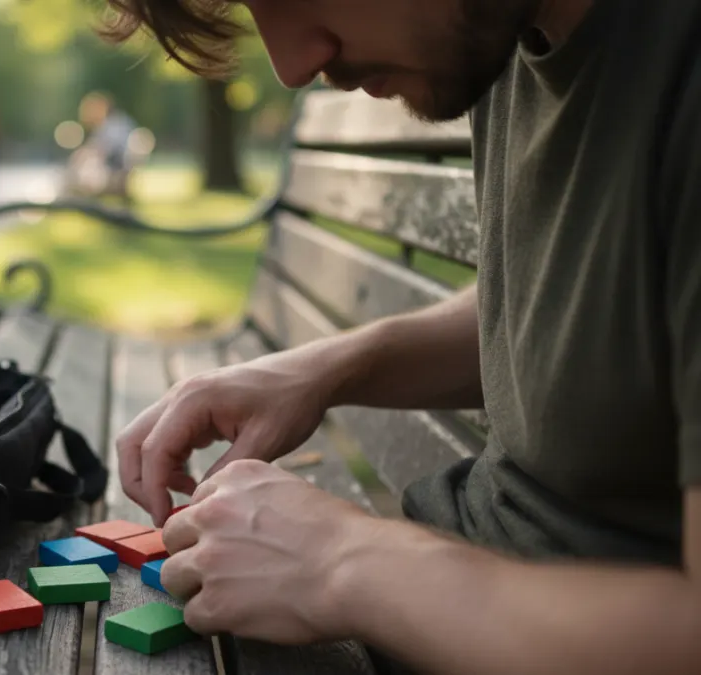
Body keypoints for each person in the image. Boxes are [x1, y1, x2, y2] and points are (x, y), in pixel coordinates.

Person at [101, 1, 701, 674]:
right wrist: (324, 369)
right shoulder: (502, 34)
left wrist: (342, 562)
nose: (293, 66)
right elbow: (608, 305)